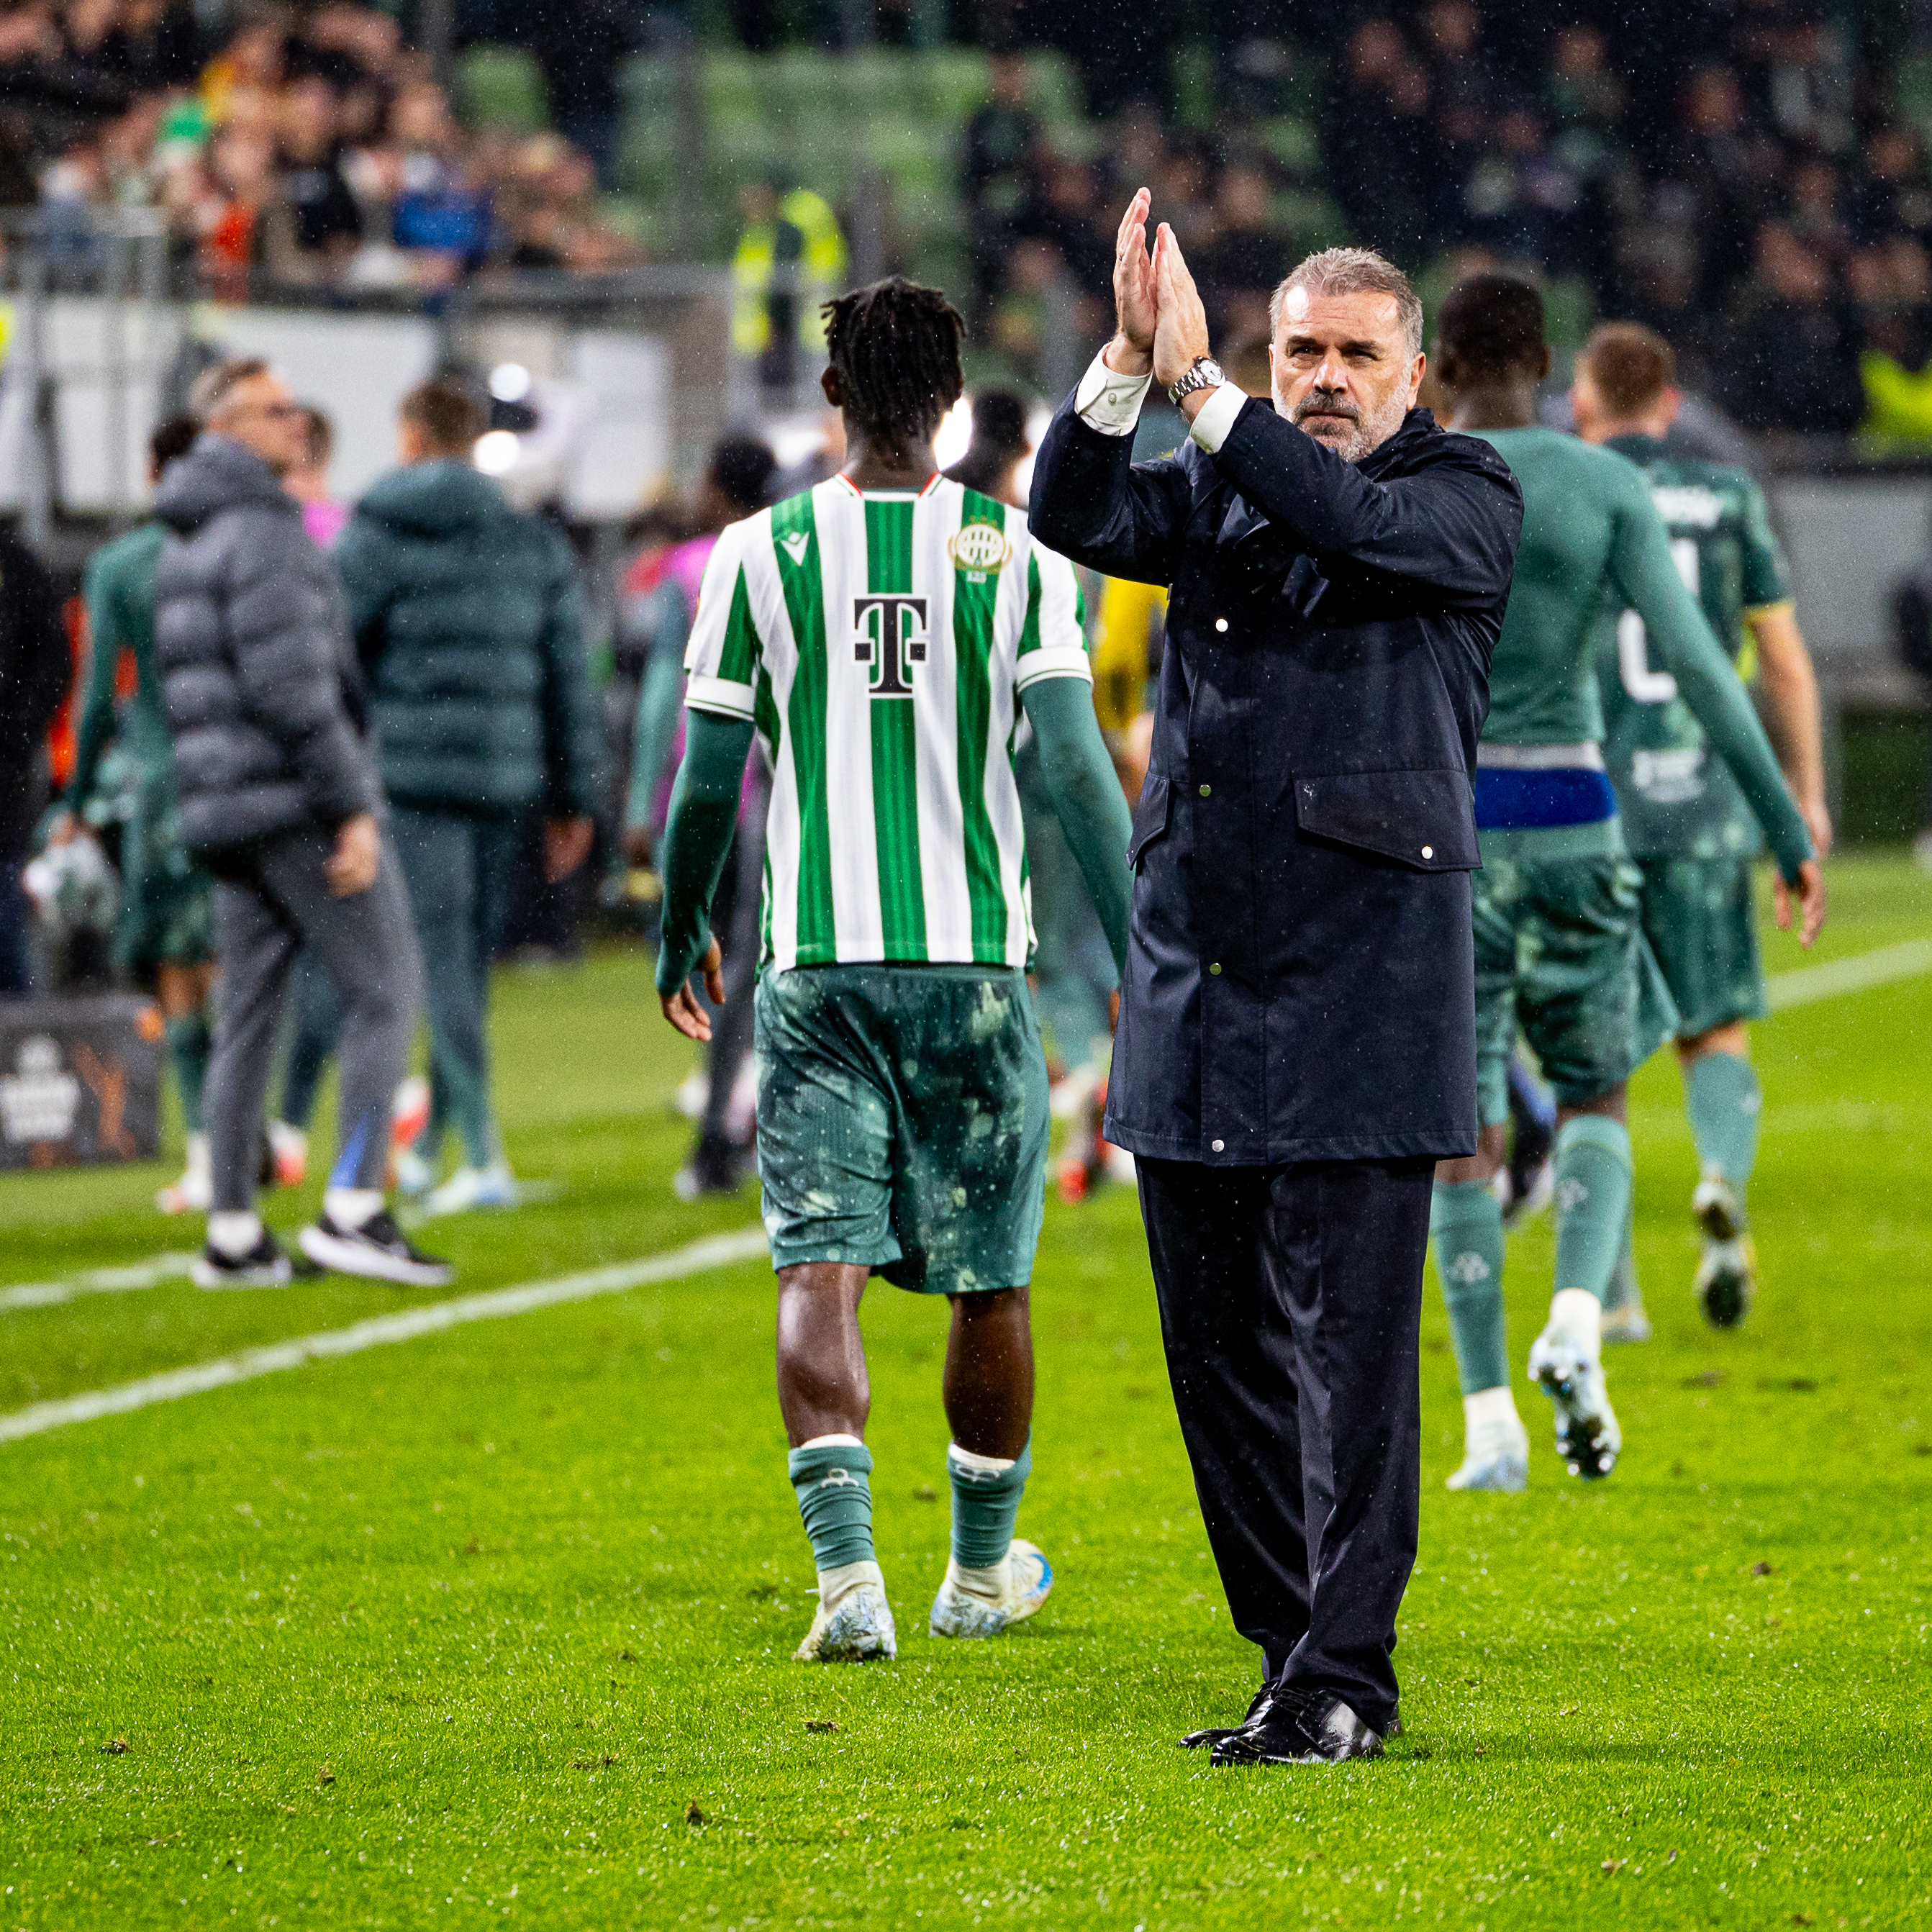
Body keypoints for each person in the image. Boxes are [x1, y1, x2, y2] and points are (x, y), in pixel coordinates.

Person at [1029, 205, 1524, 1766]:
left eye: (1351, 355)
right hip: (1195, 984)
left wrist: (1208, 397)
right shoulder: (1222, 488)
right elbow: (1069, 512)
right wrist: (1123, 359)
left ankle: (1347, 1678)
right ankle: (1285, 1658)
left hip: (1362, 991)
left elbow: (1343, 523)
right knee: (1216, 1356)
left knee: (1350, 1369)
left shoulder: (1461, 495)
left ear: (1414, 369)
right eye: (1296, 349)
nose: (1320, 377)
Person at [655, 277, 1133, 1665]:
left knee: (821, 1265)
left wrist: (684, 922)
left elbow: (705, 786)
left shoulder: (758, 552)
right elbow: (1081, 779)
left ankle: (848, 1584)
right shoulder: (1018, 555)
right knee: (992, 1280)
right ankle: (978, 1580)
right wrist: (1143, 952)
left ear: (831, 402)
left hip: (815, 970)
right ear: (954, 406)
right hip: (977, 973)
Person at [1425, 277, 1823, 1497]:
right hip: (1580, 819)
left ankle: (1489, 1420)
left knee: (1460, 1133)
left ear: (1438, 365)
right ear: (1548, 367)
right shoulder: (1606, 484)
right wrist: (1784, 825)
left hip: (1452, 837)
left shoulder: (1410, 480)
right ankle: (1580, 1325)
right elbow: (1708, 668)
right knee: (1599, 1090)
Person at [155, 356, 448, 1289]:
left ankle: (233, 1228)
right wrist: (350, 805)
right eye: (276, 409)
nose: (297, 422)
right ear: (233, 425)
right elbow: (293, 690)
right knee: (385, 987)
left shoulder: (185, 535)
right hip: (291, 800)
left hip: (222, 804)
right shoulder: (266, 532)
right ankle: (354, 1205)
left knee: (248, 1014)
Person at [1573, 321, 1833, 1328]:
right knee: (1712, 1022)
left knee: (1593, 1051)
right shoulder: (1726, 500)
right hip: (1705, 803)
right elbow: (1785, 660)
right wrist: (1800, 799)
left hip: (1589, 804)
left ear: (1585, 408)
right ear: (1672, 406)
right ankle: (1720, 1175)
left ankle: (1613, 1291)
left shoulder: (1567, 494)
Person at [332, 377, 599, 1217]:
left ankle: (479, 1153)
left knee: (440, 962)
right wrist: (574, 796)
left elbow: (335, 662)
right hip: (507, 776)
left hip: (412, 780)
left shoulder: (373, 536)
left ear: (410, 437)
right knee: (466, 965)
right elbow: (568, 675)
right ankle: (441, 1147)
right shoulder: (528, 539)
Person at [49, 413, 216, 1210]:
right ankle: (260, 1132)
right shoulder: (250, 554)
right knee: (247, 966)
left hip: (165, 789)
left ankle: (213, 1154)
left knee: (178, 975)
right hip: (251, 781)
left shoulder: (122, 565)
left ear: (153, 475)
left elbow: (93, 702)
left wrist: (78, 800)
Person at [624, 436, 776, 1200]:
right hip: (772, 785)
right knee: (751, 964)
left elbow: (660, 692)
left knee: (701, 956)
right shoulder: (786, 552)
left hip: (702, 778)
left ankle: (718, 1120)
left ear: (714, 484)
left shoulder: (688, 567)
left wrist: (639, 800)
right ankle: (731, 1120)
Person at [0, 513, 71, 996]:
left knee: (5, 912)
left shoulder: (16, 566)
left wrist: (16, 731)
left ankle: (17, 1041)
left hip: (3, 778)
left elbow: (53, 659)